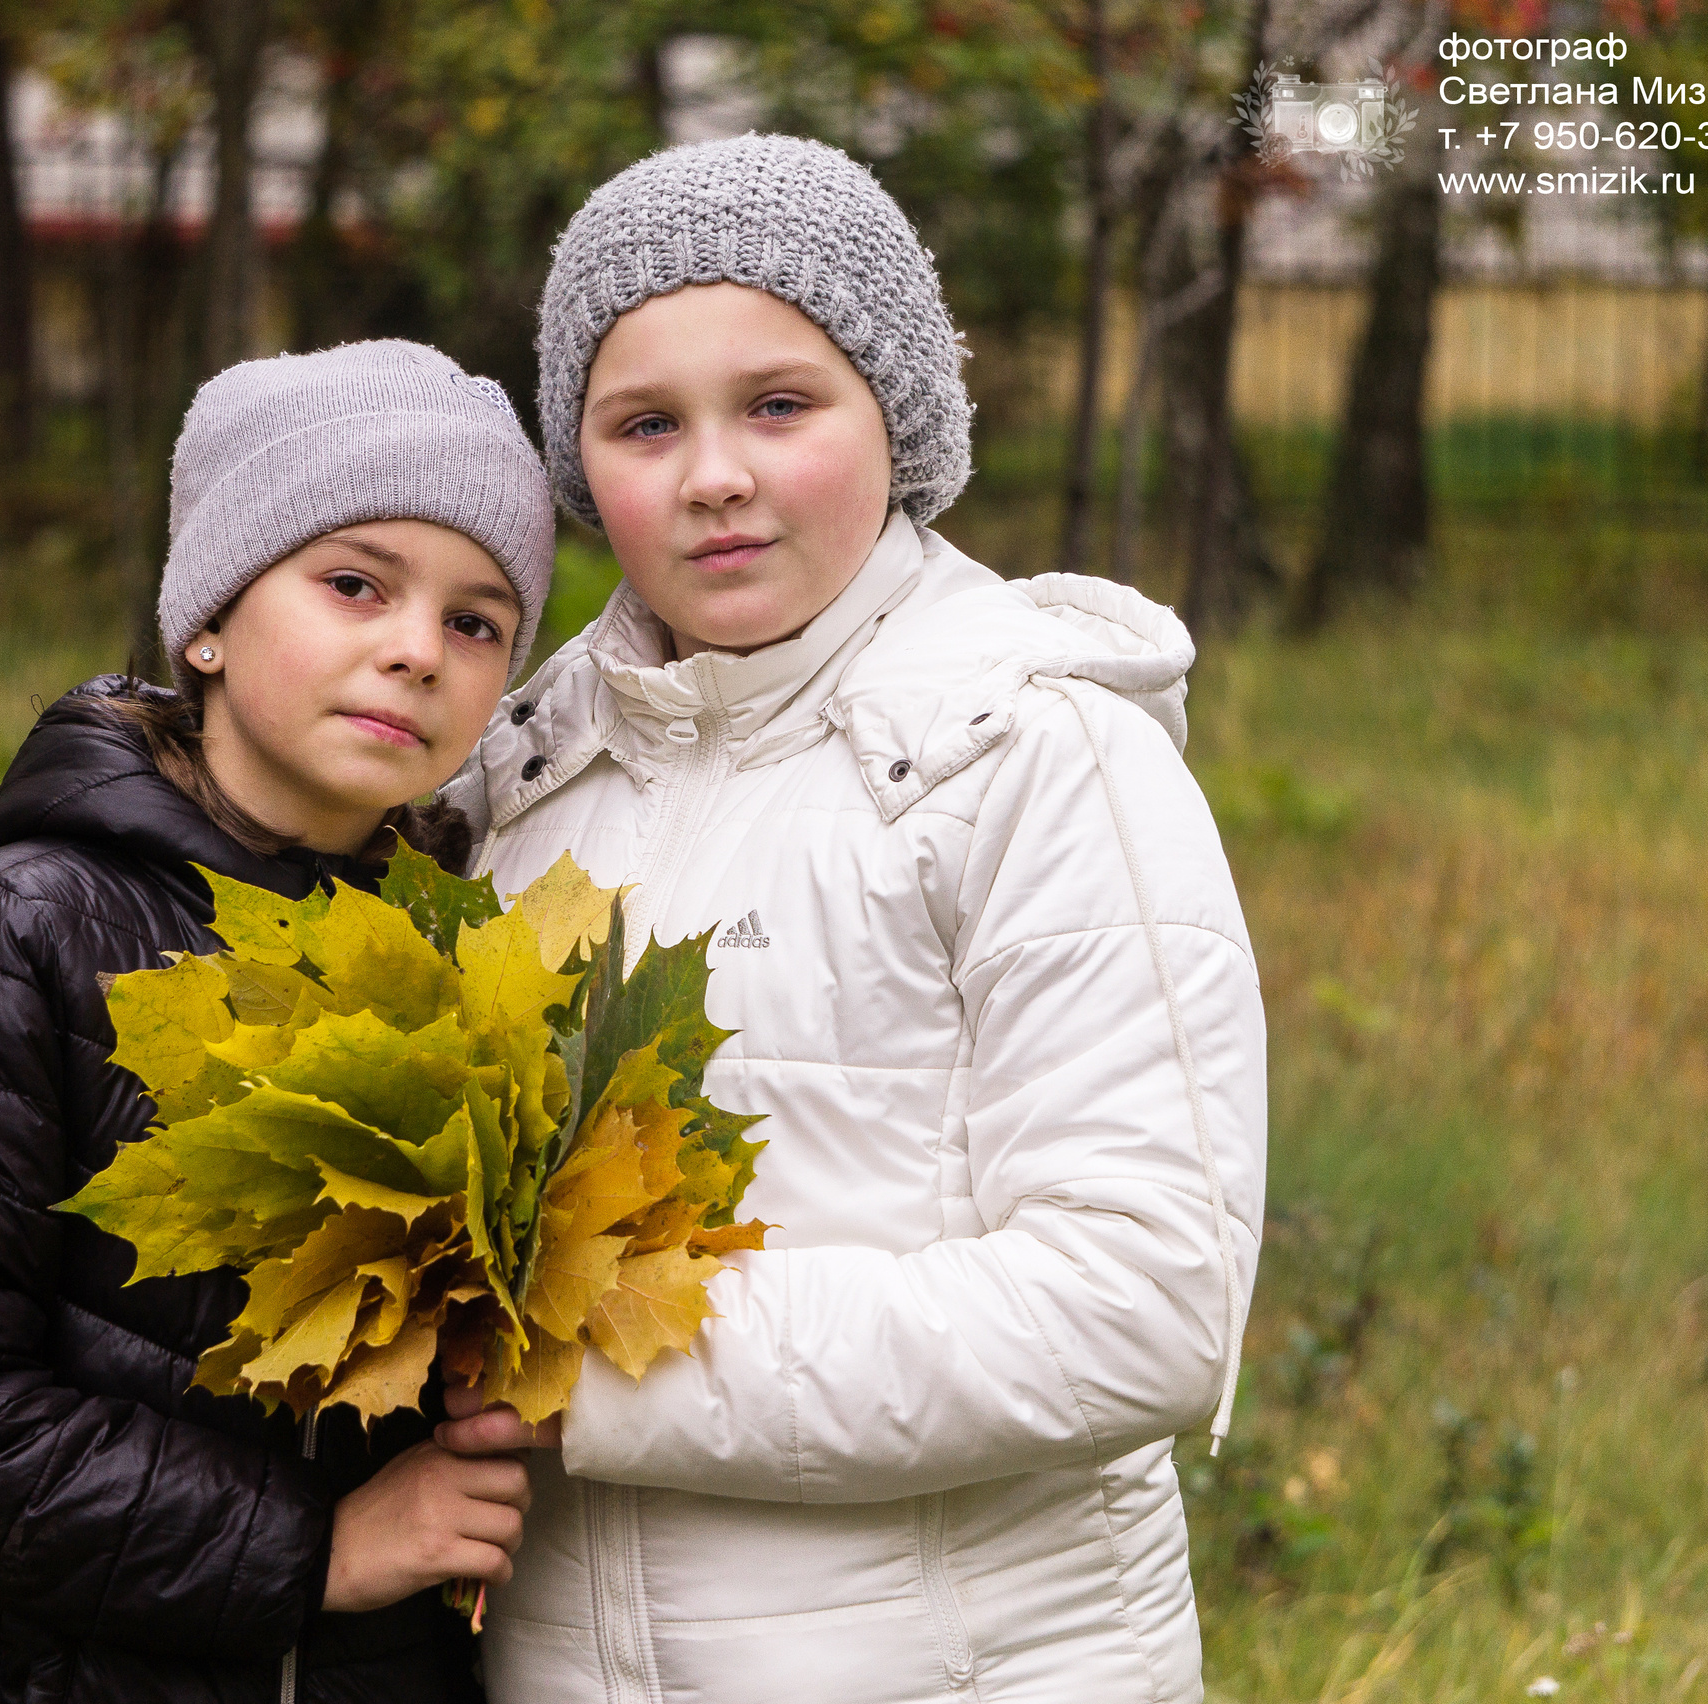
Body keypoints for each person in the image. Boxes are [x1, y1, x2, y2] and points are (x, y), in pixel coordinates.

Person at [433, 135, 1269, 1701]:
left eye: (779, 404)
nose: (715, 475)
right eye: (643, 424)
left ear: (902, 414)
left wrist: (592, 1364)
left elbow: (1145, 1301)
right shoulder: (521, 776)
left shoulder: (1035, 756)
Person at [0, 340, 560, 1704]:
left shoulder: (469, 959)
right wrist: (313, 1549)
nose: (413, 649)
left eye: (476, 621)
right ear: (207, 619)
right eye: (354, 584)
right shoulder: (14, 937)